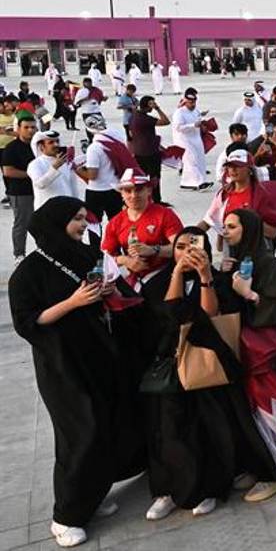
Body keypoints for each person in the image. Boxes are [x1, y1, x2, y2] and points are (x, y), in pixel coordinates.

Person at [8, 198, 145, 548]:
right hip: (62, 367)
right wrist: (72, 302)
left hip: (99, 357)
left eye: (85, 218)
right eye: (76, 219)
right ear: (55, 223)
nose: (84, 225)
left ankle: (90, 498)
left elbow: (119, 298)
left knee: (105, 426)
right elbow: (27, 322)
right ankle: (65, 517)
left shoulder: (86, 256)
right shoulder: (28, 273)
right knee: (80, 434)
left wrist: (111, 293)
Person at [140, 228, 276, 522]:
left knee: (209, 429)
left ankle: (208, 489)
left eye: (194, 247)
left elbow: (212, 315)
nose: (186, 252)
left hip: (207, 366)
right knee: (168, 430)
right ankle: (167, 491)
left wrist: (205, 276)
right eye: (179, 247)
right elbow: (169, 313)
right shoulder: (158, 284)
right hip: (170, 367)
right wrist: (178, 273)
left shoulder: (217, 281)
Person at [219, 209, 276, 396]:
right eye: (224, 227)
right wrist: (222, 275)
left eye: (232, 227)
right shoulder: (233, 261)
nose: (225, 232)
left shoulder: (268, 263)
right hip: (245, 347)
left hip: (271, 347)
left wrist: (251, 295)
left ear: (248, 230)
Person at [101, 169, 183, 290]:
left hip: (166, 275)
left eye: (139, 189)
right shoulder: (115, 223)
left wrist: (154, 250)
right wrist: (125, 260)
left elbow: (183, 247)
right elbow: (104, 257)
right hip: (134, 279)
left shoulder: (165, 214)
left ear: (148, 190)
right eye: (128, 191)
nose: (134, 195)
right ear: (121, 194)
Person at [3, 114, 36, 259]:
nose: (30, 130)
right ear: (19, 129)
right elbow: (8, 171)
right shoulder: (11, 148)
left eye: (33, 127)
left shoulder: (39, 146)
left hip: (40, 190)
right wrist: (33, 175)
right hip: (20, 192)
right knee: (22, 224)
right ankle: (19, 254)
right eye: (26, 127)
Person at [128, 96, 171, 202]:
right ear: (148, 105)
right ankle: (156, 200)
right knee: (154, 177)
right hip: (149, 153)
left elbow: (130, 133)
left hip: (138, 152)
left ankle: (144, 199)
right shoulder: (145, 119)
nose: (153, 105)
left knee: (141, 178)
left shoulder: (134, 116)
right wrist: (158, 109)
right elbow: (166, 121)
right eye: (152, 104)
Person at [28, 130, 82, 210]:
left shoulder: (65, 162)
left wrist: (77, 204)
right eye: (51, 143)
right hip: (47, 210)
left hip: (67, 207)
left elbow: (72, 185)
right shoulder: (35, 164)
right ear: (41, 146)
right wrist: (55, 167)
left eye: (57, 141)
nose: (56, 144)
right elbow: (40, 184)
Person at [171, 88, 212, 190]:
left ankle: (193, 181)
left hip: (196, 139)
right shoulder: (179, 113)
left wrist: (203, 125)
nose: (192, 105)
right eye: (190, 103)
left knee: (200, 160)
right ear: (185, 102)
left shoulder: (196, 111)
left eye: (194, 102)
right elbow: (178, 127)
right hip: (184, 140)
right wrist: (193, 125)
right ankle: (198, 182)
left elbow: (199, 120)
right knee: (191, 160)